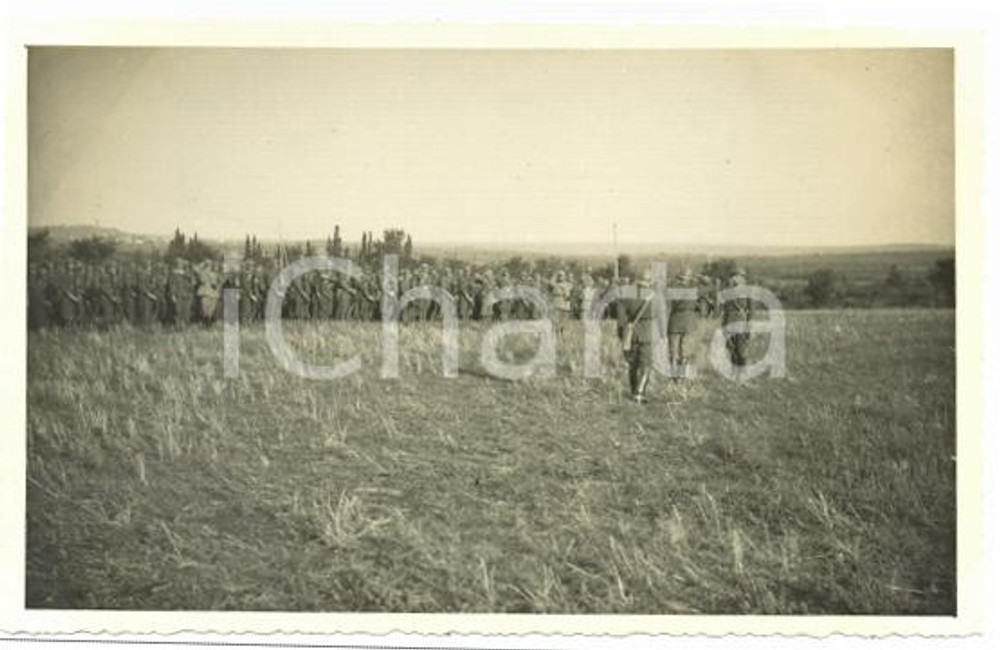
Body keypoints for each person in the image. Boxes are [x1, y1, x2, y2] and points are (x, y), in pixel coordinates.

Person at [617, 269, 662, 403]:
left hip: (631, 333)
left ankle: (633, 390)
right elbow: (660, 315)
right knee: (646, 364)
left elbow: (621, 319)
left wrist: (623, 334)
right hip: (648, 333)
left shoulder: (626, 295)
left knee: (633, 364)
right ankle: (639, 393)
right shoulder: (655, 296)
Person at [722, 268, 754, 379]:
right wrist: (724, 326)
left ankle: (742, 373)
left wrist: (749, 325)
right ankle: (734, 372)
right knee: (731, 349)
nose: (735, 279)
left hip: (741, 322)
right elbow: (725, 310)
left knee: (740, 350)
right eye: (734, 276)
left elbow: (751, 310)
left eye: (738, 276)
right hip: (730, 322)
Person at [667, 267, 699, 378]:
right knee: (684, 351)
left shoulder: (673, 288)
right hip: (689, 322)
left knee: (673, 351)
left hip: (675, 321)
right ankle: (681, 375)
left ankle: (673, 375)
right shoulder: (693, 289)